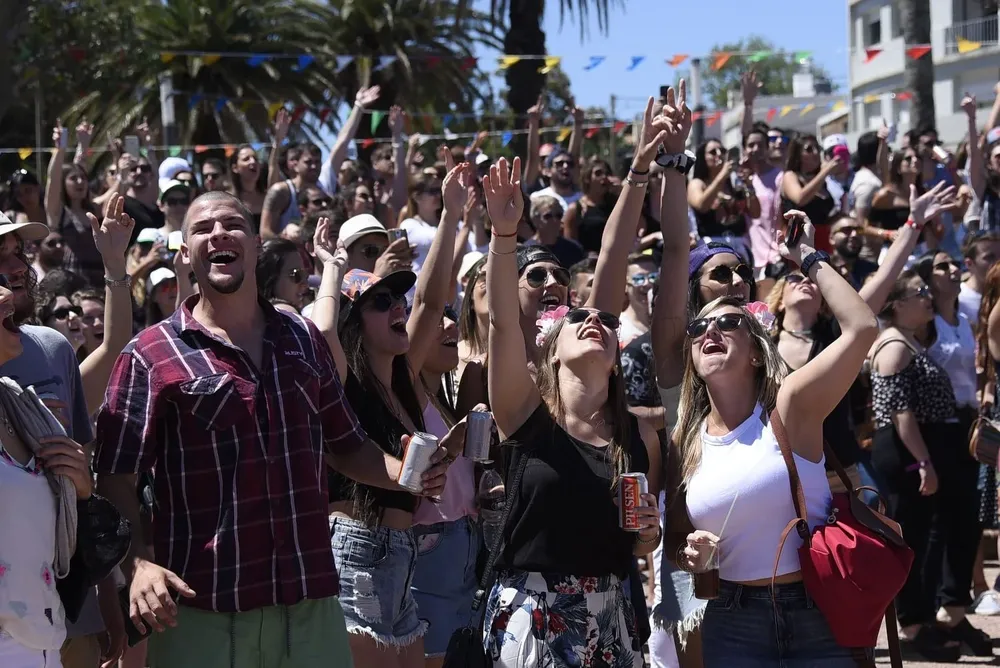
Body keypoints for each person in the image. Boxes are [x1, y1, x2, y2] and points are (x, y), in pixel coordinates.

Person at [92, 191, 450, 668]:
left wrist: (404, 473)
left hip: (311, 608)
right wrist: (135, 563)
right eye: (202, 229)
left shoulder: (302, 336)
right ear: (185, 254)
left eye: (232, 224)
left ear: (256, 244)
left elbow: (346, 446)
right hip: (203, 613)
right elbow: (116, 477)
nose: (218, 234)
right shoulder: (149, 354)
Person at [667, 213, 879, 666]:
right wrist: (694, 554)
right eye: (699, 328)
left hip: (814, 612)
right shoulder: (686, 437)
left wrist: (806, 256)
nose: (711, 332)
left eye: (728, 323)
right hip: (730, 616)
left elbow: (862, 328)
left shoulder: (792, 407)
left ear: (758, 353)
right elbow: (680, 542)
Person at [482, 155, 661, 668]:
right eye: (578, 317)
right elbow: (500, 324)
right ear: (552, 347)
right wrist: (503, 235)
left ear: (617, 354)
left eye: (606, 320)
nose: (593, 321)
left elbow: (643, 544)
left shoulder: (636, 437)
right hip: (532, 615)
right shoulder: (524, 413)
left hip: (613, 613)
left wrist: (648, 531)